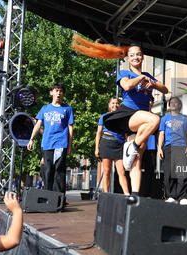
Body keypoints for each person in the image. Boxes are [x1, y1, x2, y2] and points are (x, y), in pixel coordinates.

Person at [72, 36, 168, 196]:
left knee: (136, 161)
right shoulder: (125, 73)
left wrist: (153, 83)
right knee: (156, 119)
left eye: (138, 54)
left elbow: (164, 89)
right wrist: (141, 78)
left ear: (142, 57)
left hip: (141, 120)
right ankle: (133, 146)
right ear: (128, 59)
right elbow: (127, 85)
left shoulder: (148, 76)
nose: (136, 57)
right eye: (132, 55)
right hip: (128, 114)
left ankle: (134, 196)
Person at [27, 83, 74, 195]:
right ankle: (48, 195)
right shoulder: (45, 108)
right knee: (48, 169)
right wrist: (31, 139)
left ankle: (59, 196)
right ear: (51, 92)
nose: (58, 93)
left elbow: (70, 127)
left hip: (61, 142)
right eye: (56, 90)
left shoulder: (67, 109)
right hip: (47, 142)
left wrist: (69, 145)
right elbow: (38, 125)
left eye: (61, 91)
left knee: (59, 169)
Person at [158, 97, 187, 205]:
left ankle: (183, 196)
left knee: (182, 173)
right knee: (168, 172)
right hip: (168, 147)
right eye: (171, 102)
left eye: (175, 102)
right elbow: (161, 134)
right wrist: (159, 148)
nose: (173, 104)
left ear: (180, 105)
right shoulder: (164, 118)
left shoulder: (185, 118)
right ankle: (171, 196)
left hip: (181, 147)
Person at [95, 97, 129, 195]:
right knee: (106, 171)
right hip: (107, 143)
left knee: (122, 171)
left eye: (117, 103)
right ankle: (106, 194)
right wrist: (96, 148)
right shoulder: (104, 116)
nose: (115, 105)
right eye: (113, 103)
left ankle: (127, 194)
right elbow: (98, 133)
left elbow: (126, 134)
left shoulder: (123, 116)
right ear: (109, 105)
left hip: (119, 145)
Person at [141, 95, 157, 198]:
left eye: (150, 100)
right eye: (147, 100)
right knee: (136, 170)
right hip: (140, 147)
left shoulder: (156, 118)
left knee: (149, 172)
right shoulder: (139, 117)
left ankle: (147, 194)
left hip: (151, 148)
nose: (148, 102)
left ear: (152, 102)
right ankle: (136, 192)